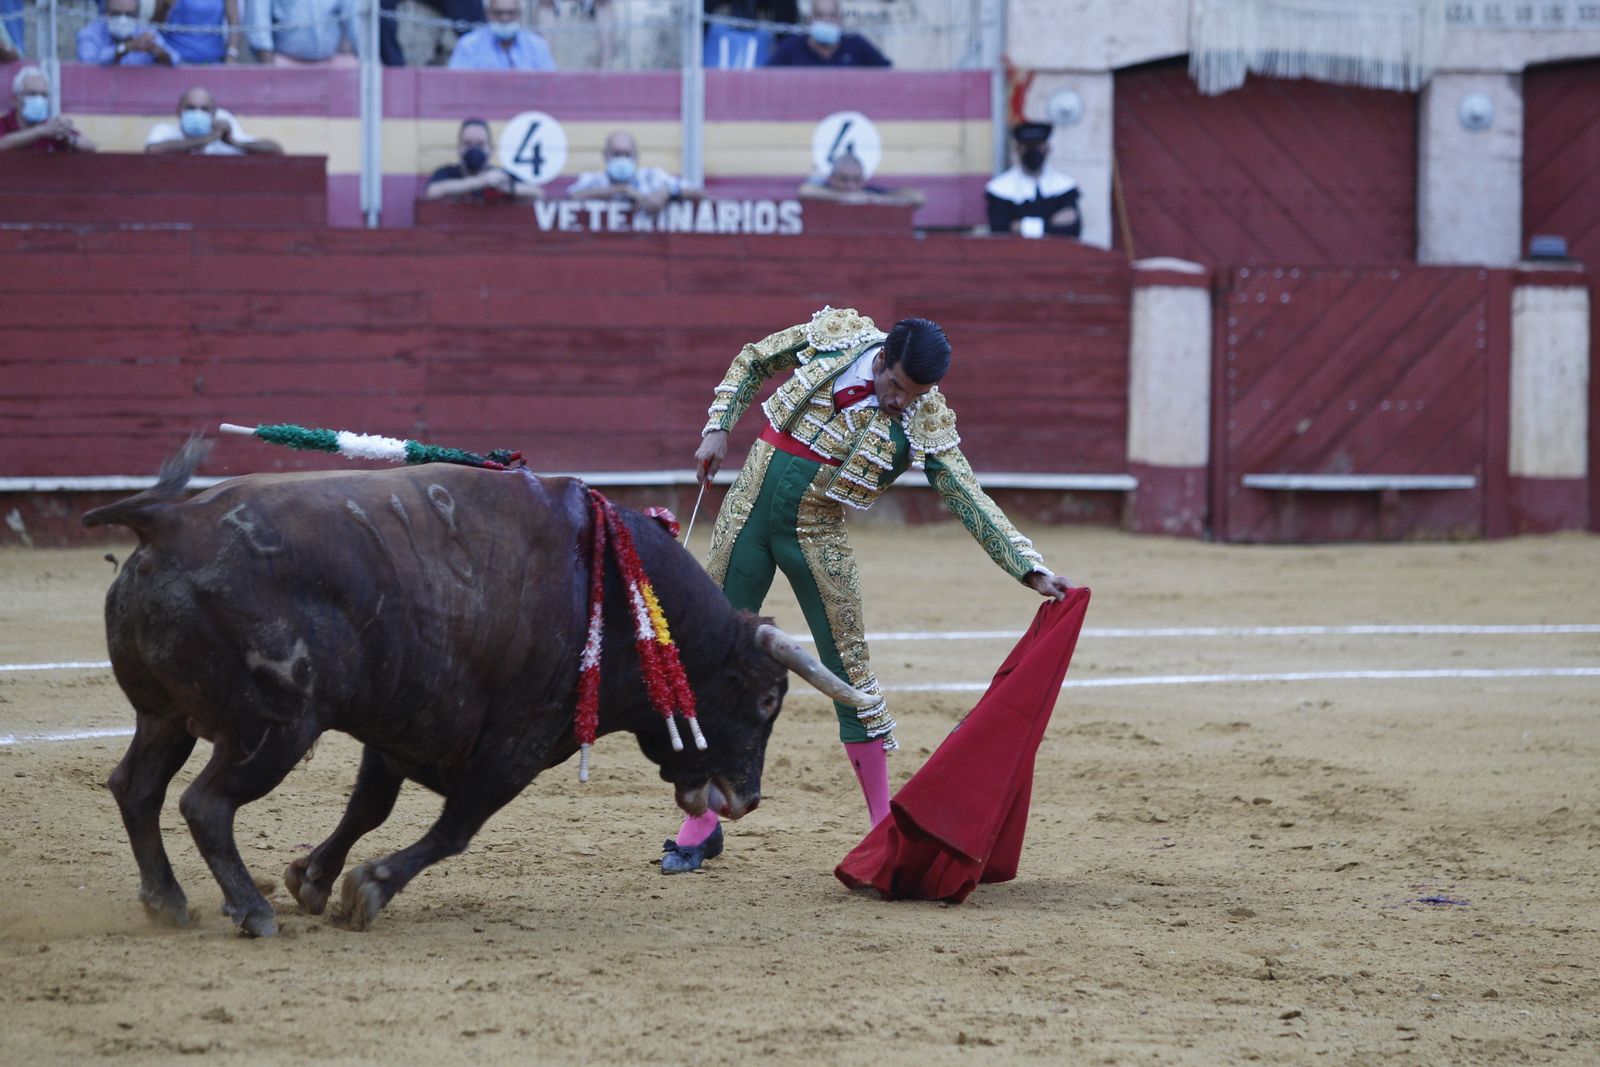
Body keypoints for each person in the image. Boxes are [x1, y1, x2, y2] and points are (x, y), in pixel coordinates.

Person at [659, 308, 1073, 874]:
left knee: (850, 674)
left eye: (918, 392)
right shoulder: (836, 339)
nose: (905, 402)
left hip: (815, 534)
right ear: (880, 361)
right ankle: (702, 823)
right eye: (899, 387)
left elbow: (966, 495)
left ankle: (882, 831)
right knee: (711, 660)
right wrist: (718, 426)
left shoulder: (925, 415)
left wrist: (1029, 569)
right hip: (747, 514)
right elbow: (755, 358)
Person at [985, 121, 1081, 238]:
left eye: (1038, 145)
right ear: (1018, 149)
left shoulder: (1065, 187)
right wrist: (1050, 224)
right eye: (1028, 146)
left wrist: (1021, 226)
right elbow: (999, 229)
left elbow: (1073, 230)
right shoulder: (999, 188)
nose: (1033, 151)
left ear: (1047, 148)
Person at [567, 130, 697, 212]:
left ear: (636, 156)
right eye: (617, 154)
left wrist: (668, 193)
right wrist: (621, 189)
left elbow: (700, 192)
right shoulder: (594, 180)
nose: (622, 159)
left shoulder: (653, 177)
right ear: (605, 155)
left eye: (627, 154)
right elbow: (573, 195)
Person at [424, 118, 542, 202]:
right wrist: (482, 182)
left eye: (480, 144)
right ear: (459, 148)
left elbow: (538, 193)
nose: (474, 149)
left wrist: (509, 188)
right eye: (468, 144)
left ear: (491, 149)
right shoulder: (447, 173)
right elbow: (432, 192)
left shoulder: (501, 176)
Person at [145, 86, 284, 155]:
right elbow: (152, 150)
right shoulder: (165, 131)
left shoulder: (225, 135)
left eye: (204, 109)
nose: (197, 113)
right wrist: (204, 140)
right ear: (179, 111)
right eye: (191, 108)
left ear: (214, 114)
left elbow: (275, 150)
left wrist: (234, 142)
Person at [0, 67, 98, 153]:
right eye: (32, 94)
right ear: (15, 100)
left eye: (44, 95)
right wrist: (39, 132)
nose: (39, 99)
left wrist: (67, 138)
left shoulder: (51, 127)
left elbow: (91, 148)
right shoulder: (3, 123)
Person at [765, 0, 888, 68]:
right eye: (820, 15)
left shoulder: (856, 44)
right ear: (810, 19)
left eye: (832, 15)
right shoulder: (792, 46)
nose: (826, 21)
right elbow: (766, 78)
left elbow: (887, 73)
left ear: (840, 19)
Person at [448, 0, 555, 70]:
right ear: (488, 14)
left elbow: (549, 85)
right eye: (499, 13)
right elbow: (457, 84)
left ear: (519, 14)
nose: (505, 18)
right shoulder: (469, 45)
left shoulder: (537, 46)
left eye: (510, 13)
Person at [248, 0, 358, 67]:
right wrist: (269, 67)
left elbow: (354, 20)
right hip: (284, 62)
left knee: (354, 70)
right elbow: (258, 20)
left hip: (330, 62)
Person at [798, 150, 924, 208]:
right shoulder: (824, 191)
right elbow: (804, 191)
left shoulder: (869, 193)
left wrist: (877, 200)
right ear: (832, 178)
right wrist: (844, 198)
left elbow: (918, 197)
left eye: (856, 180)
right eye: (844, 179)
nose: (851, 185)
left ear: (863, 180)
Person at [78, 0, 182, 66]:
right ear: (106, 14)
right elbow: (88, 61)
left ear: (137, 15)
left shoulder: (146, 32)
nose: (123, 19)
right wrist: (126, 48)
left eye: (129, 14)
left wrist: (157, 51)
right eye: (116, 14)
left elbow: (176, 59)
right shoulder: (90, 33)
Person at [153, 0, 242, 65]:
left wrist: (231, 55)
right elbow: (155, 27)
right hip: (172, 62)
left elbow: (234, 23)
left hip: (212, 61)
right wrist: (165, 7)